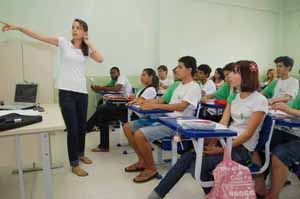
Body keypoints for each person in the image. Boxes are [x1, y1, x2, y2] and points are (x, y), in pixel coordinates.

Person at [148, 60, 268, 198]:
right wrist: (212, 143)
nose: (229, 76)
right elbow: (222, 124)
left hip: (243, 149)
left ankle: (214, 194)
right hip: (226, 141)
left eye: (235, 72)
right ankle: (157, 195)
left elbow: (248, 134)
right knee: (189, 157)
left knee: (196, 166)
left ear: (246, 76)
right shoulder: (234, 97)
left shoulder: (259, 100)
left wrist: (222, 149)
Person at [1, 19, 104, 176]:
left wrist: (89, 43)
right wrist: (19, 27)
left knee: (82, 126)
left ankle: (81, 153)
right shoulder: (63, 43)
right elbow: (39, 36)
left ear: (84, 32)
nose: (74, 30)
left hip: (82, 93)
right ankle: (74, 163)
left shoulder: (86, 50)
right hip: (66, 92)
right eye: (73, 27)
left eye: (78, 28)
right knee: (73, 129)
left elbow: (100, 59)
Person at [123, 56, 201, 183]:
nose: (177, 69)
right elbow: (162, 100)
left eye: (180, 67)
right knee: (128, 127)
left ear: (189, 70)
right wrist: (144, 101)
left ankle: (151, 169)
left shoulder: (194, 87)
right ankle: (142, 161)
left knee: (139, 134)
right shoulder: (179, 86)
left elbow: (181, 107)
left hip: (179, 124)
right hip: (167, 119)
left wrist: (155, 106)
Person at [87, 68, 159, 152]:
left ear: (151, 77)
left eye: (144, 75)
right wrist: (133, 97)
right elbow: (136, 99)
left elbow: (139, 101)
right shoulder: (144, 88)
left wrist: (134, 98)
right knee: (103, 116)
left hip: (135, 115)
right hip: (130, 111)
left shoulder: (151, 89)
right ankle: (102, 145)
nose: (141, 77)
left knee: (102, 108)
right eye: (141, 75)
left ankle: (87, 127)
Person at [255, 95, 300, 199]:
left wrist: (288, 110)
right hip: (292, 131)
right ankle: (260, 187)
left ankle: (273, 195)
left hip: (295, 133)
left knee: (280, 154)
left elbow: (292, 110)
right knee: (259, 141)